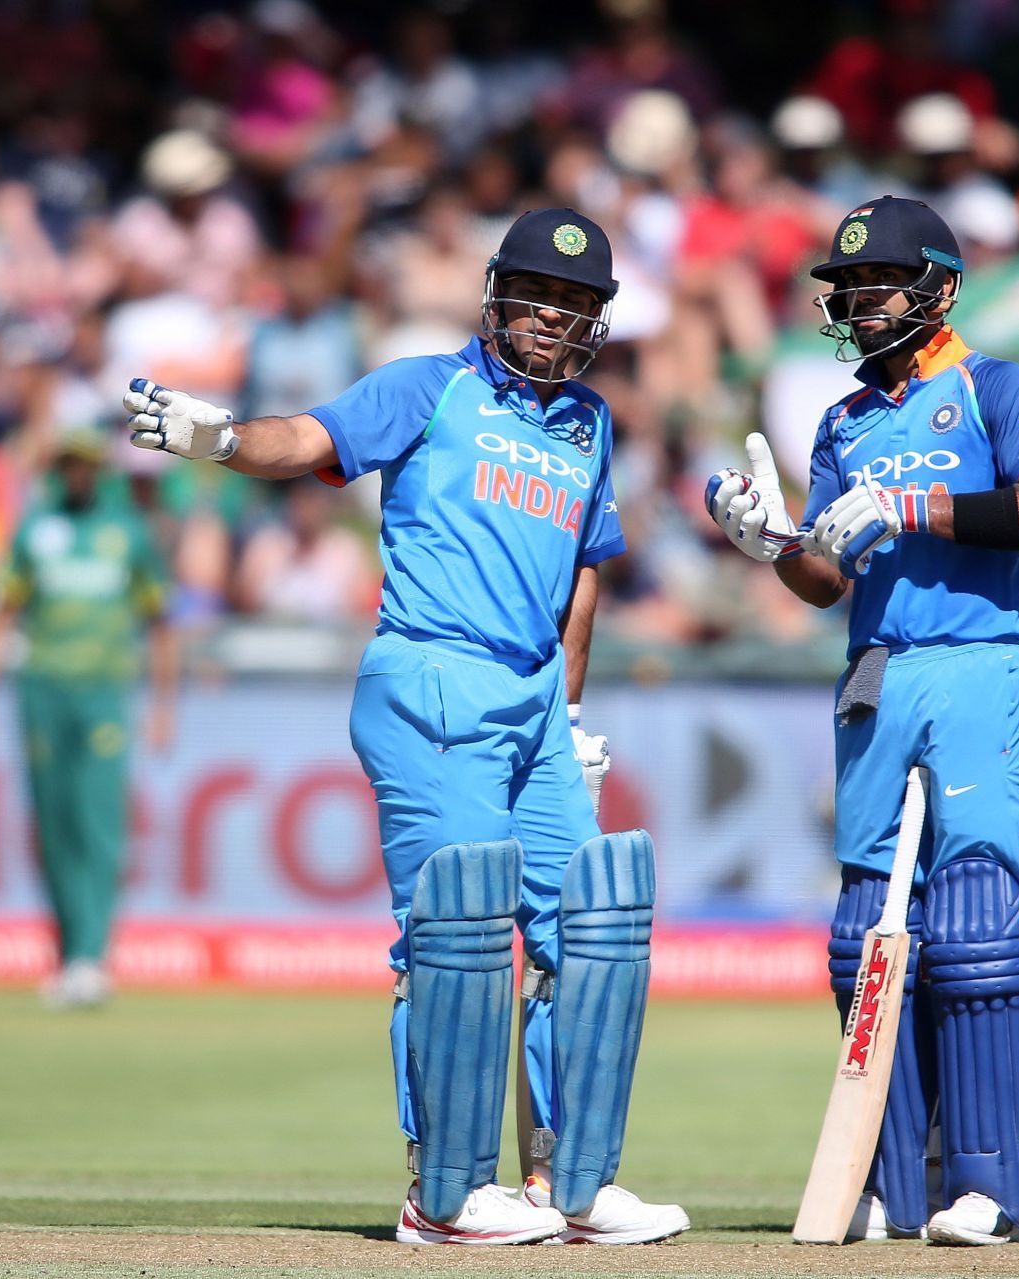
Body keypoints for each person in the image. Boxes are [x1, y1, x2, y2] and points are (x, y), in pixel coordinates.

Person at [119, 208, 686, 1247]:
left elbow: (585, 577)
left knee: (589, 933)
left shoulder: (592, 423)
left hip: (533, 703)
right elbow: (312, 439)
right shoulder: (430, 386)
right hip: (432, 677)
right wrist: (223, 437)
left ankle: (573, 1183)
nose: (552, 319)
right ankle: (446, 1190)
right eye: (537, 296)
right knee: (458, 936)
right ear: (497, 296)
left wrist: (569, 711)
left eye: (575, 306)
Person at [705, 196, 1019, 1246]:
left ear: (940, 288)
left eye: (880, 288)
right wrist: (771, 540)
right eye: (848, 292)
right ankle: (888, 1188)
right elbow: (826, 578)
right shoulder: (845, 421)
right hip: (875, 674)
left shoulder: (995, 385)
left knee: (971, 924)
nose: (861, 307)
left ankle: (988, 1187)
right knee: (863, 930)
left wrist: (916, 508)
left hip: (974, 666)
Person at [0, 422, 177, 1009]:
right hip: (42, 689)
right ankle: (66, 953)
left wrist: (162, 708)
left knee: (99, 823)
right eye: (69, 464)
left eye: (86, 464)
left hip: (105, 690)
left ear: (99, 470)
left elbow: (160, 626)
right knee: (53, 825)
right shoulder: (37, 529)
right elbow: (3, 612)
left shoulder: (128, 532)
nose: (78, 474)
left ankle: (91, 955)